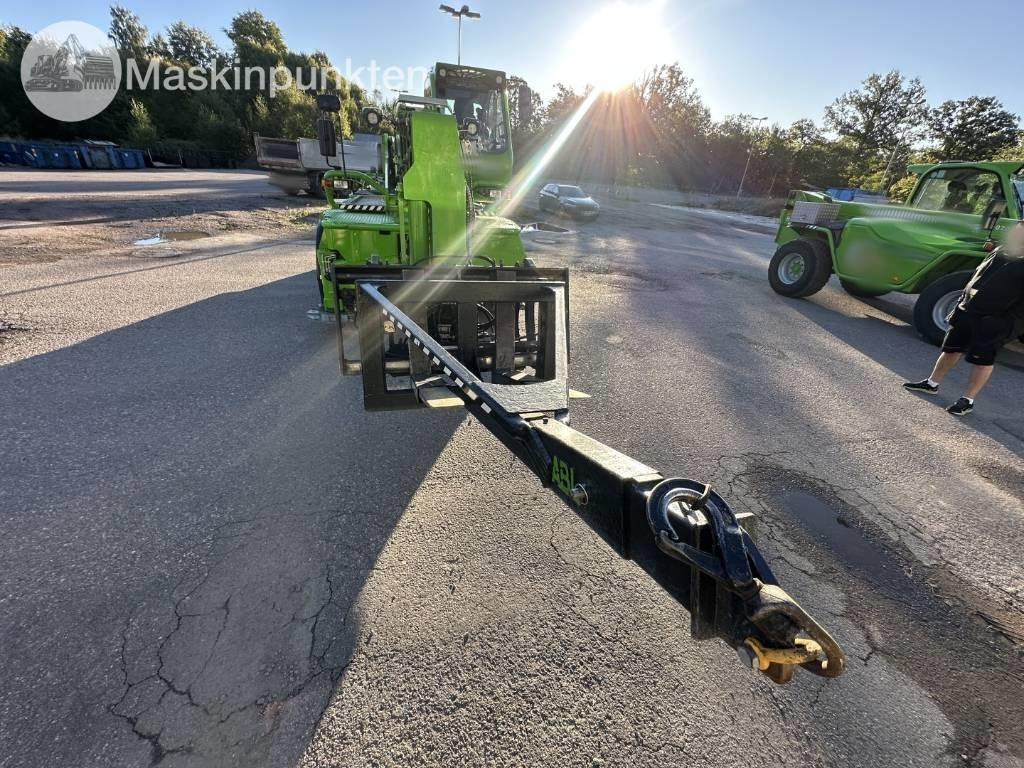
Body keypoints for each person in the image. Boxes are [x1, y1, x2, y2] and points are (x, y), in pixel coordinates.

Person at [903, 222, 1024, 415]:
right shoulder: (1001, 250)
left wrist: (1005, 323)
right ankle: (932, 383)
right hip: (967, 309)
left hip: (994, 320)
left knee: (982, 360)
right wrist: (961, 302)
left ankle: (967, 400)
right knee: (951, 349)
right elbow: (977, 275)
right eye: (1018, 227)